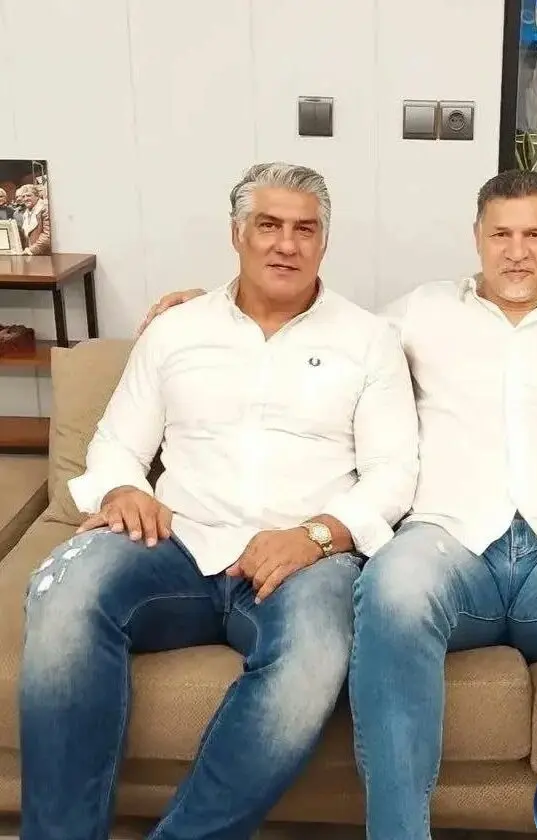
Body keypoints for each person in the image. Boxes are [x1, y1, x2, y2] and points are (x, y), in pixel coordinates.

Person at [143, 169, 537, 840]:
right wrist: (208, 311)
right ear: (476, 237)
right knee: (392, 584)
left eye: (534, 235)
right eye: (500, 235)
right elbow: (310, 331)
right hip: (445, 544)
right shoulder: (415, 312)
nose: (516, 252)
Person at [19, 162, 420, 840]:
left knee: (315, 654)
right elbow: (116, 443)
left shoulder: (369, 340)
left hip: (302, 560)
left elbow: (394, 475)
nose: (286, 244)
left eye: (304, 230)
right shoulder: (176, 330)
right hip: (175, 544)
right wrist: (122, 487)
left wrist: (317, 536)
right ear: (237, 233)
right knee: (62, 590)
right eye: (268, 225)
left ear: (325, 242)